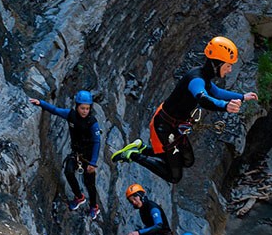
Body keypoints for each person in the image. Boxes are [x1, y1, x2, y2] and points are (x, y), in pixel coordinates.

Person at [111, 36, 258, 184]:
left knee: (187, 161)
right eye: (228, 65)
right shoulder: (196, 79)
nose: (230, 70)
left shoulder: (204, 76)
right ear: (217, 64)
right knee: (174, 177)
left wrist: (242, 96)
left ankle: (142, 149)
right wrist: (225, 106)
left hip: (176, 125)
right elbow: (203, 98)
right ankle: (132, 155)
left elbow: (217, 92)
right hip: (165, 126)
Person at [27, 90, 102, 219]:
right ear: (77, 106)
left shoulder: (92, 122)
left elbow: (97, 142)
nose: (85, 111)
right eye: (82, 108)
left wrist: (93, 163)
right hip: (77, 154)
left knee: (90, 184)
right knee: (68, 172)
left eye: (87, 108)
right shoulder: (70, 115)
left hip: (89, 158)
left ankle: (94, 206)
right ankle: (79, 197)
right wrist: (41, 103)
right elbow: (55, 110)